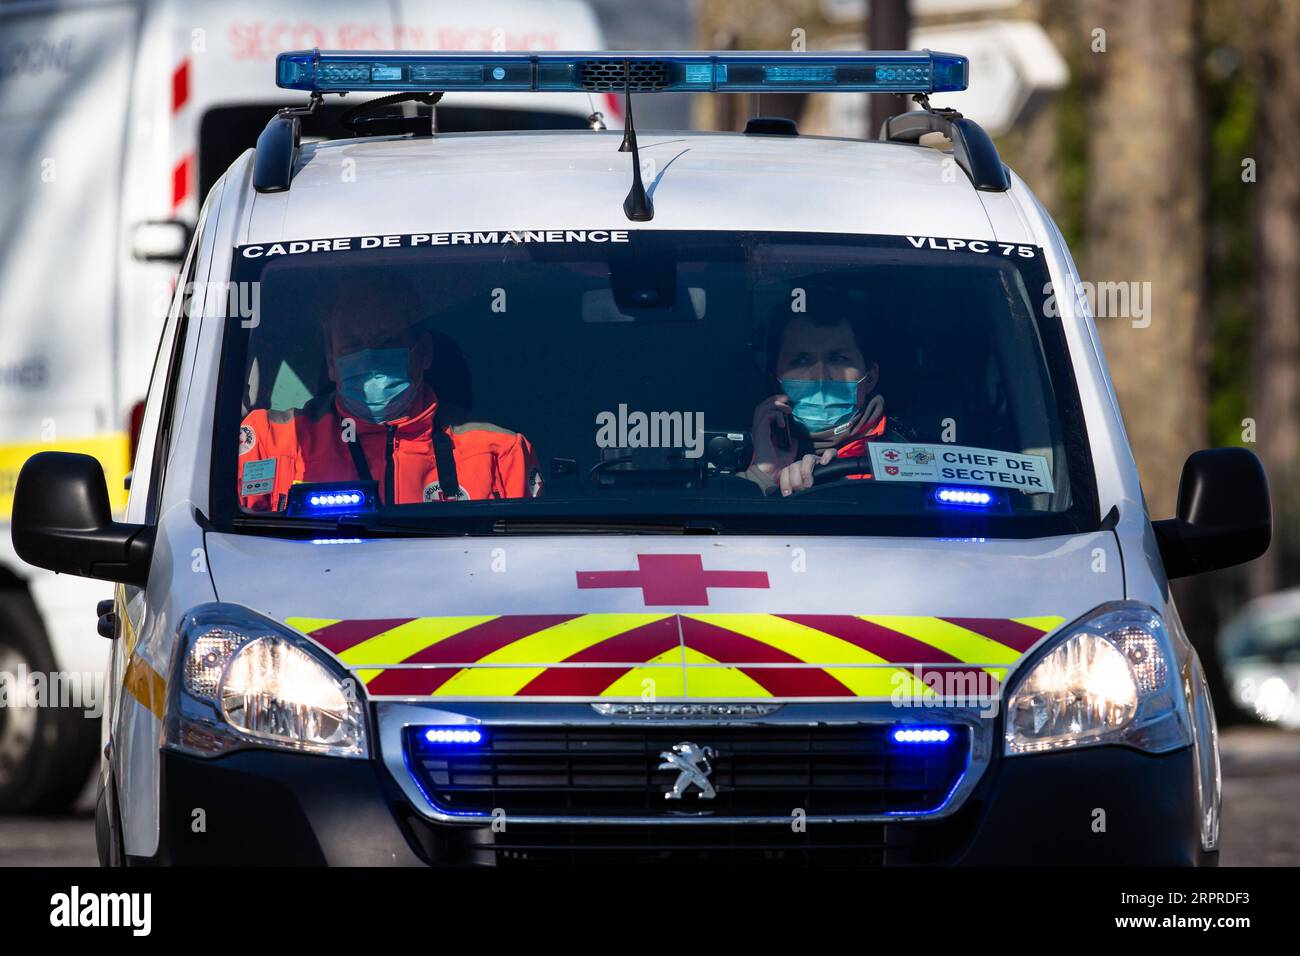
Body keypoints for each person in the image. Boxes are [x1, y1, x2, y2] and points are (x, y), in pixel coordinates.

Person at [238, 277, 541, 511]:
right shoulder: (270, 442)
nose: (369, 357)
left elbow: (526, 571)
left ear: (422, 354)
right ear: (331, 360)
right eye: (353, 345)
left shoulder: (499, 454)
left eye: (386, 341)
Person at [743, 293, 915, 496]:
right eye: (801, 360)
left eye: (838, 358)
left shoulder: (913, 457)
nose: (820, 378)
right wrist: (764, 474)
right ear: (775, 377)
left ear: (870, 377)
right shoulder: (741, 454)